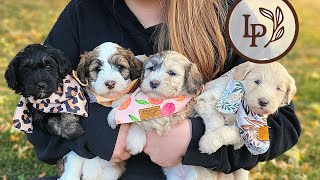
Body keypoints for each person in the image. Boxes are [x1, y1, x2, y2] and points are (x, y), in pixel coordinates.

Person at [27, 0, 301, 179]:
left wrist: (194, 140)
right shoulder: (83, 11)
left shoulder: (228, 13)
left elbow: (282, 124)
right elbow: (35, 108)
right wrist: (92, 131)